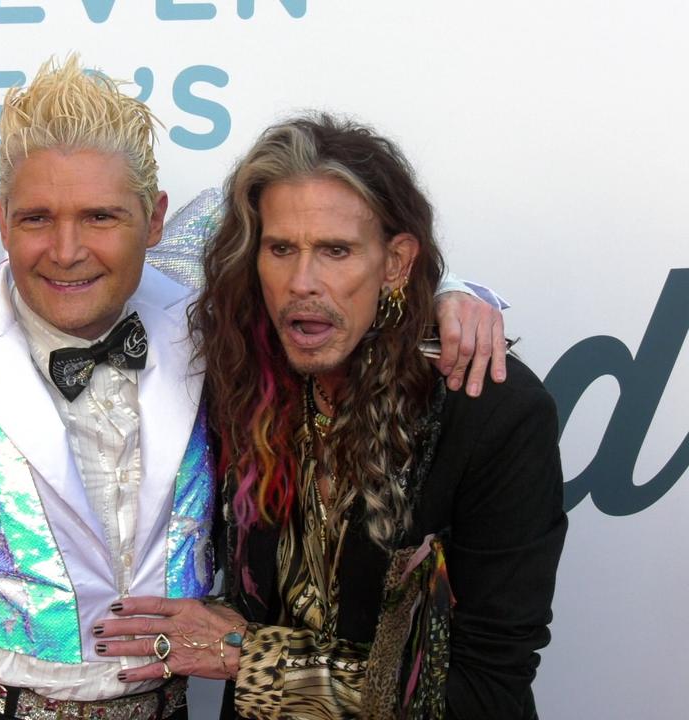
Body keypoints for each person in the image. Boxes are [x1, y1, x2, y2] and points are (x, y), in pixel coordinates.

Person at [0, 60, 506, 719]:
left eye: (102, 216)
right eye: (36, 219)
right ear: (1, 221)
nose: (68, 249)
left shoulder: (205, 294)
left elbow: (338, 239)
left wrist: (453, 293)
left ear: (157, 218)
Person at [92, 115, 567, 718]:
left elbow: (486, 691)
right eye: (280, 248)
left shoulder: (492, 413)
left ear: (396, 262)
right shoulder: (244, 381)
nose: (301, 282)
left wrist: (250, 657)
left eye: (336, 251)